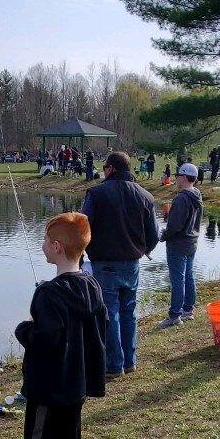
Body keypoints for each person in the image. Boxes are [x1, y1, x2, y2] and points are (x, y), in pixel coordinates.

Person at [8, 213, 107, 439]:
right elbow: (100, 328)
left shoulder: (48, 293)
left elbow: (44, 340)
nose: (41, 246)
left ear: (55, 247)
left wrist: (25, 329)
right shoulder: (92, 285)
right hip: (76, 385)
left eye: (44, 241)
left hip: (49, 389)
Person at [82, 151, 159, 377]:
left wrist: (79, 255)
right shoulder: (146, 196)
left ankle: (114, 365)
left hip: (104, 262)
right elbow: (153, 235)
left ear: (111, 168)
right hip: (132, 262)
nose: (104, 170)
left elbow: (82, 227)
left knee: (109, 312)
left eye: (105, 166)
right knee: (128, 312)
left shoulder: (97, 193)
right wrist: (143, 249)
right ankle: (129, 361)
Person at [156, 162, 203, 328]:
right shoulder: (196, 194)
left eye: (178, 176)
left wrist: (162, 236)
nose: (176, 179)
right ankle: (188, 310)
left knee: (178, 280)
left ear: (184, 177)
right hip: (192, 241)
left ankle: (175, 315)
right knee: (188, 276)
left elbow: (174, 226)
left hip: (178, 244)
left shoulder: (181, 198)